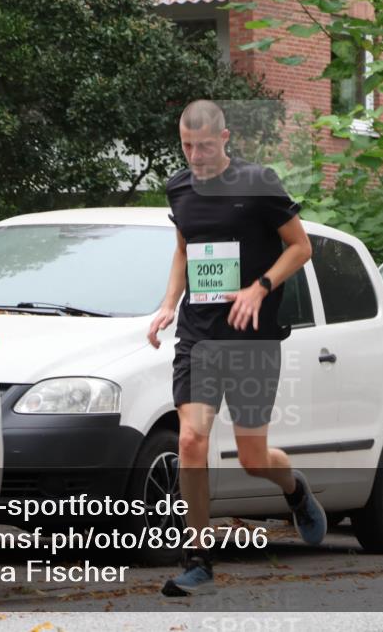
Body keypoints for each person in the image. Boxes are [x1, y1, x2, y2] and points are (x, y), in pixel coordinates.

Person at [146, 99, 327, 597]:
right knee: (190, 441)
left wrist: (259, 287)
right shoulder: (178, 188)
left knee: (252, 457)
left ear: (225, 139)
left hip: (253, 339)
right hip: (199, 334)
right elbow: (185, 247)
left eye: (204, 146)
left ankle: (294, 489)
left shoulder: (259, 183)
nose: (196, 157)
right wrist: (168, 303)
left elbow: (301, 247)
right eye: (186, 146)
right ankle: (198, 558)